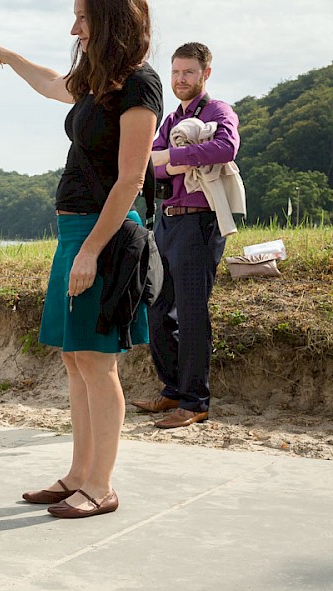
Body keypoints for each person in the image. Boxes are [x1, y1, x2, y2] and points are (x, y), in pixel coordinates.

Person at [0, 0, 162, 518]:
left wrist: (90, 249)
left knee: (97, 360)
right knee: (73, 356)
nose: (73, 27)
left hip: (103, 237)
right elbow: (52, 83)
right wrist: (8, 57)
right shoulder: (98, 79)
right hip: (75, 232)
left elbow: (131, 178)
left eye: (83, 17)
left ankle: (101, 486)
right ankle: (77, 475)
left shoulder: (140, 85)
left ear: (110, 20)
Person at [131, 43, 239, 429]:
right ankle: (174, 389)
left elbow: (225, 147)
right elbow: (149, 165)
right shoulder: (170, 118)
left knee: (192, 314)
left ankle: (195, 402)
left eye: (188, 72)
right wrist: (174, 161)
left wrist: (172, 160)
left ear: (205, 73)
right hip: (166, 221)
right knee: (158, 309)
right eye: (176, 72)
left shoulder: (218, 111)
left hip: (199, 223)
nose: (180, 79)